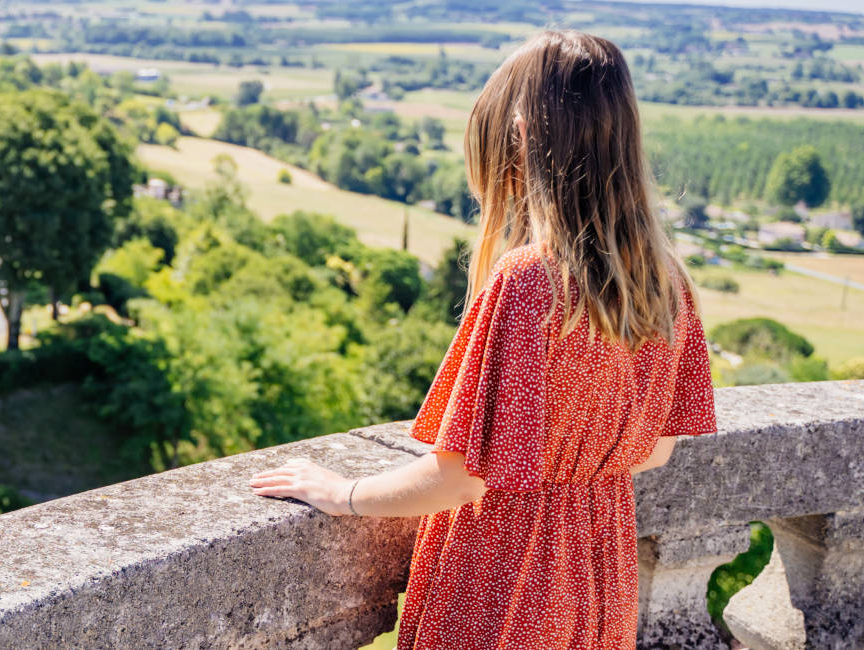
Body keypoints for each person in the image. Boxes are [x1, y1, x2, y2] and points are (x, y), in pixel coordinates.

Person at [248, 30, 716, 649]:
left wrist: (342, 493)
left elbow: (462, 478)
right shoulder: (665, 283)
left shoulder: (529, 282)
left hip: (500, 586)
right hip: (598, 575)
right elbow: (655, 451)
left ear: (522, 135)